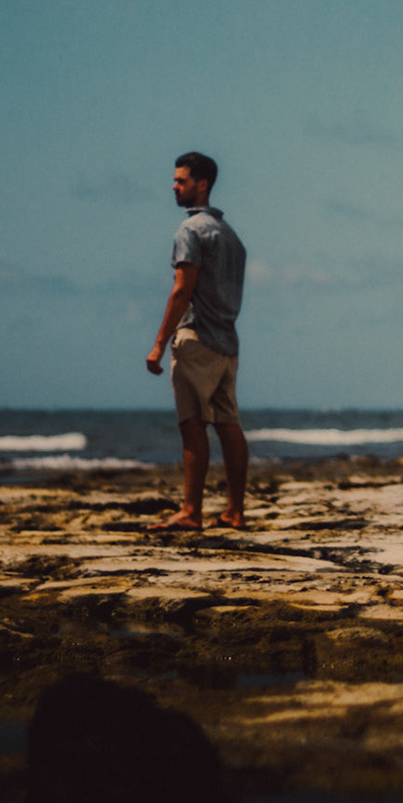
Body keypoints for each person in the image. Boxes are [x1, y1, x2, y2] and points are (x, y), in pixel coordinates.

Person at [146, 151, 248, 530]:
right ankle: (235, 511)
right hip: (228, 343)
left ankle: (191, 511)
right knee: (228, 424)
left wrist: (159, 342)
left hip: (199, 336)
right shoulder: (231, 237)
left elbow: (181, 291)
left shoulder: (190, 231)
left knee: (192, 422)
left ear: (201, 184)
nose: (174, 186)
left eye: (181, 180)